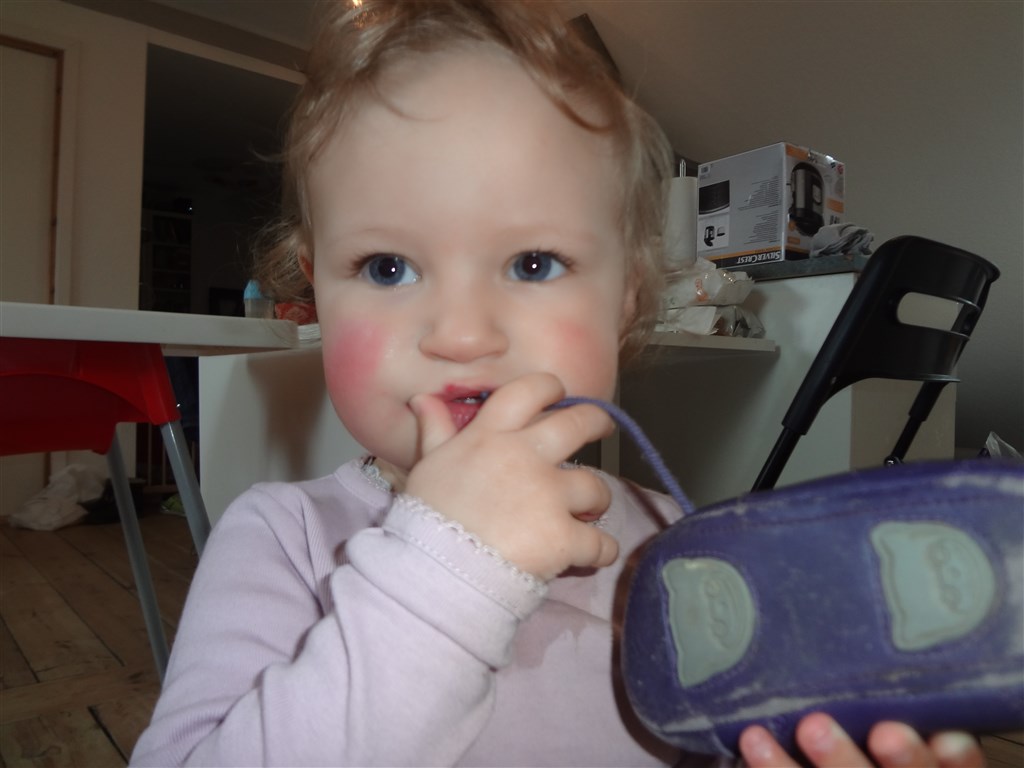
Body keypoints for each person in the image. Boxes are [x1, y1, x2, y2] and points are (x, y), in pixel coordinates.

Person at [131, 2, 986, 766]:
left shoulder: (671, 540)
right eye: (388, 266)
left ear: (627, 300)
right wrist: (444, 569)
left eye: (533, 263)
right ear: (315, 288)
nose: (462, 332)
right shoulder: (281, 543)